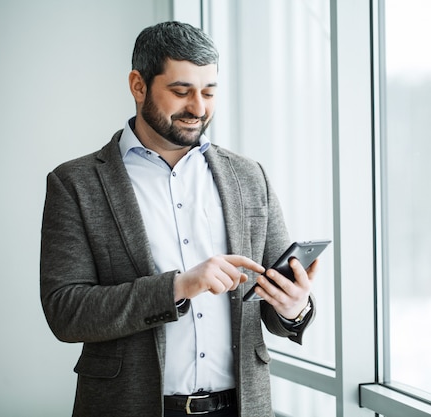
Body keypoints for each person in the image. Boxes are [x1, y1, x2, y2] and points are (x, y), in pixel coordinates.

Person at [40, 21, 317, 417]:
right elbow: (66, 312)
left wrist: (295, 308)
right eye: (181, 91)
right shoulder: (76, 183)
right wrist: (178, 286)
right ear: (138, 85)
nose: (199, 108)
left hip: (242, 407)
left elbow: (273, 303)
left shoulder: (249, 175)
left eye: (208, 92)